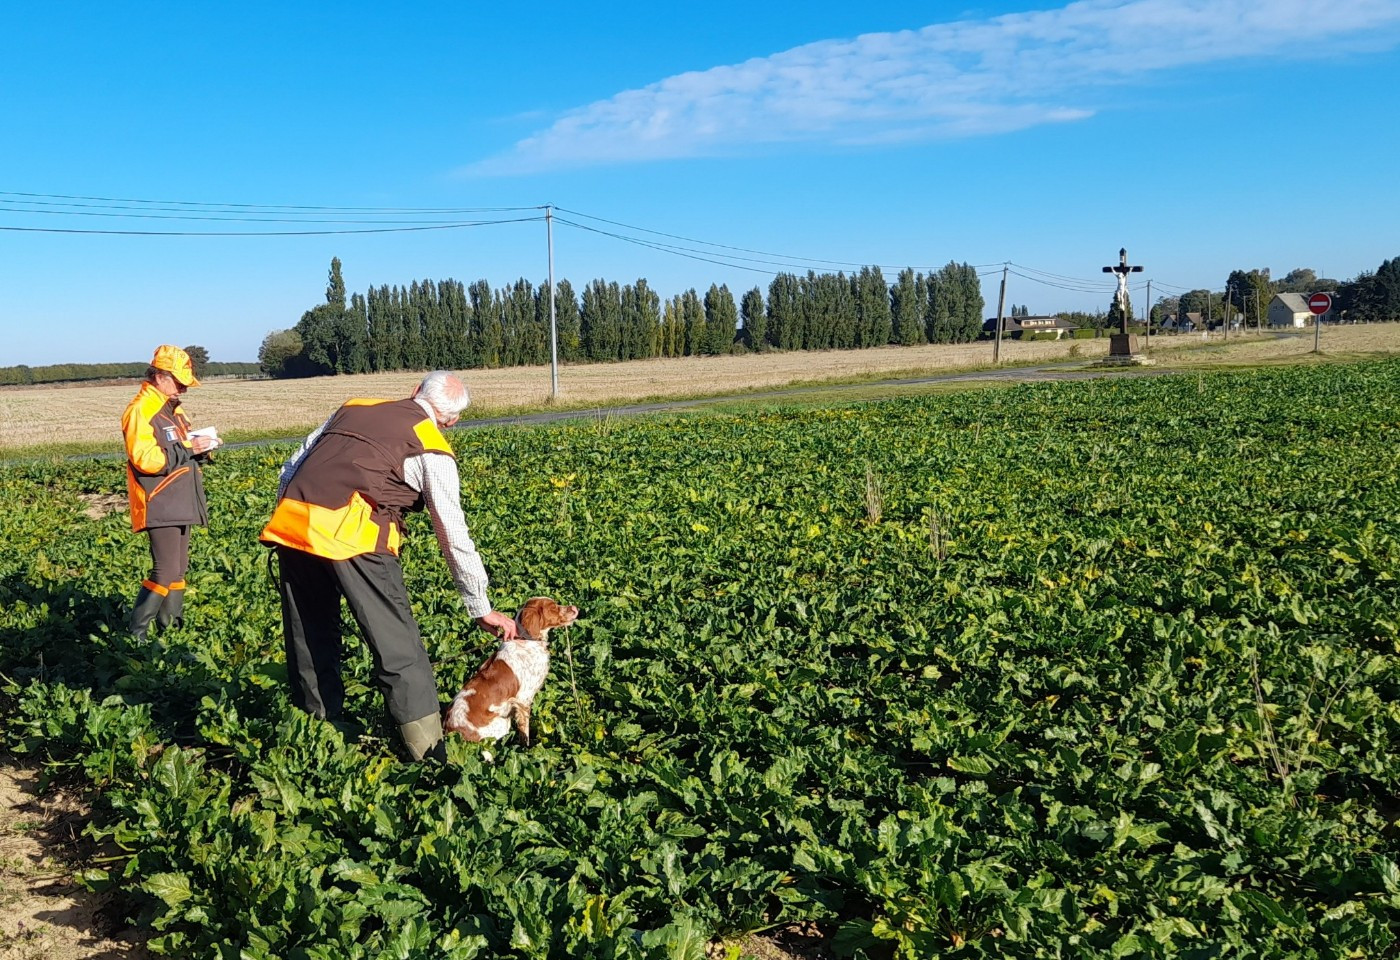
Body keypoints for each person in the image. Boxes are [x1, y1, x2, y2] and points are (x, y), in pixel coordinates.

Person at [259, 371, 517, 762]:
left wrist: (287, 520)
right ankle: (429, 754)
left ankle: (318, 734)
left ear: (414, 392)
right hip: (355, 538)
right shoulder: (432, 446)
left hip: (293, 525)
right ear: (451, 420)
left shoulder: (353, 407)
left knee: (308, 635)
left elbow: (292, 467)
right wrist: (479, 605)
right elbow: (452, 532)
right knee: (399, 648)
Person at [121, 345, 216, 641]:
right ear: (160, 377)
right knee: (164, 570)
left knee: (178, 570)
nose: (183, 389)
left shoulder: (173, 409)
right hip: (159, 500)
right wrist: (188, 448)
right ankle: (136, 635)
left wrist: (202, 449)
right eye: (179, 382)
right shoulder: (140, 411)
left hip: (182, 499)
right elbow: (147, 460)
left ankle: (171, 631)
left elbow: (180, 449)